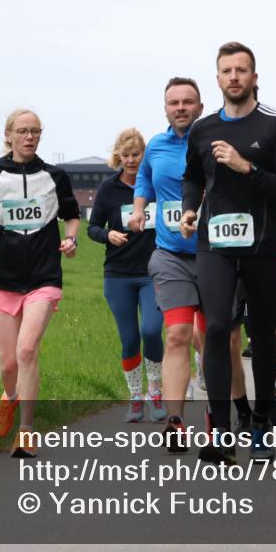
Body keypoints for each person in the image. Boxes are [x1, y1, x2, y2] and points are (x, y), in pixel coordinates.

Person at [181, 41, 276, 464]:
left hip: (264, 247)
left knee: (263, 335)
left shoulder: (275, 126)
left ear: (255, 78)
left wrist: (246, 168)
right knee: (216, 329)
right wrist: (189, 210)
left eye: (241, 70)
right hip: (214, 245)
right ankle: (219, 430)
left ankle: (263, 414)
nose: (234, 77)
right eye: (226, 70)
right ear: (217, 79)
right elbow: (193, 178)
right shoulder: (202, 130)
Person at [0, 109, 79, 458]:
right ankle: (10, 397)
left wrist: (72, 239)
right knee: (8, 363)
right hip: (1, 279)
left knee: (28, 351)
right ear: (8, 134)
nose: (30, 137)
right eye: (23, 131)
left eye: (36, 131)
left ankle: (26, 431)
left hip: (44, 277)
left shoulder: (55, 176)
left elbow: (72, 215)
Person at [128, 77, 206, 454]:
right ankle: (176, 421)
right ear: (165, 109)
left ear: (200, 107)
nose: (180, 108)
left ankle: (220, 412)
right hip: (171, 255)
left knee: (214, 340)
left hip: (215, 256)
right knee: (176, 336)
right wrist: (140, 208)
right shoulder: (156, 146)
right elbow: (144, 178)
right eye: (173, 102)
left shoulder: (212, 141)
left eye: (187, 102)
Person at [88, 128, 166, 423]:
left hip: (153, 272)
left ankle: (155, 392)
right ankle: (135, 398)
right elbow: (92, 227)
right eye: (126, 155)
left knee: (150, 330)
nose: (131, 160)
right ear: (117, 156)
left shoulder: (155, 186)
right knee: (130, 338)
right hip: (118, 274)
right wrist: (108, 235)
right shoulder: (109, 189)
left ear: (145, 155)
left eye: (137, 155)